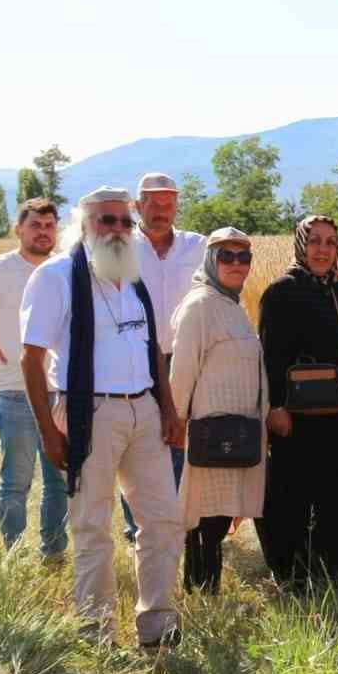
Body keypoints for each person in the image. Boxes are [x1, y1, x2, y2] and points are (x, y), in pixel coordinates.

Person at [19, 188, 185, 647]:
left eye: (124, 223)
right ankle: (97, 634)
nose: (116, 229)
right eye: (105, 221)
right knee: (93, 526)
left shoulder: (132, 276)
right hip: (87, 411)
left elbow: (151, 348)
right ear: (84, 225)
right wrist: (49, 432)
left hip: (144, 409)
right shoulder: (55, 277)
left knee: (163, 519)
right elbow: (31, 360)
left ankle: (157, 625)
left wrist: (167, 409)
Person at [257, 216, 338, 587]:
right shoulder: (282, 291)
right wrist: (276, 406)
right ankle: (291, 573)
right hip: (298, 416)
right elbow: (271, 356)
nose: (322, 249)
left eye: (331, 242)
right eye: (314, 241)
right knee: (293, 493)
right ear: (301, 245)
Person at [168, 228, 267, 595]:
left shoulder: (230, 304)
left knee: (219, 515)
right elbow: (182, 372)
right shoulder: (200, 306)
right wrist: (176, 424)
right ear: (211, 260)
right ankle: (199, 596)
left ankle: (207, 593)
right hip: (211, 431)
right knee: (204, 519)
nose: (237, 264)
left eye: (244, 257)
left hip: (238, 431)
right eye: (228, 256)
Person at [122, 172, 205, 543]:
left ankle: (175, 527)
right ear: (138, 207)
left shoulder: (198, 247)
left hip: (184, 360)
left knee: (178, 440)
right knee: (135, 442)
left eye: (168, 203)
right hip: (133, 360)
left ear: (177, 206)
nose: (160, 211)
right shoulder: (119, 247)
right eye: (152, 203)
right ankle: (135, 528)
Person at [0, 198, 68, 558]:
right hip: (15, 392)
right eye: (35, 225)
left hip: (60, 393)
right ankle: (12, 557)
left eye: (49, 226)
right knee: (16, 484)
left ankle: (53, 552)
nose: (43, 232)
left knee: (60, 483)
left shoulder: (65, 269)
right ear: (18, 230)